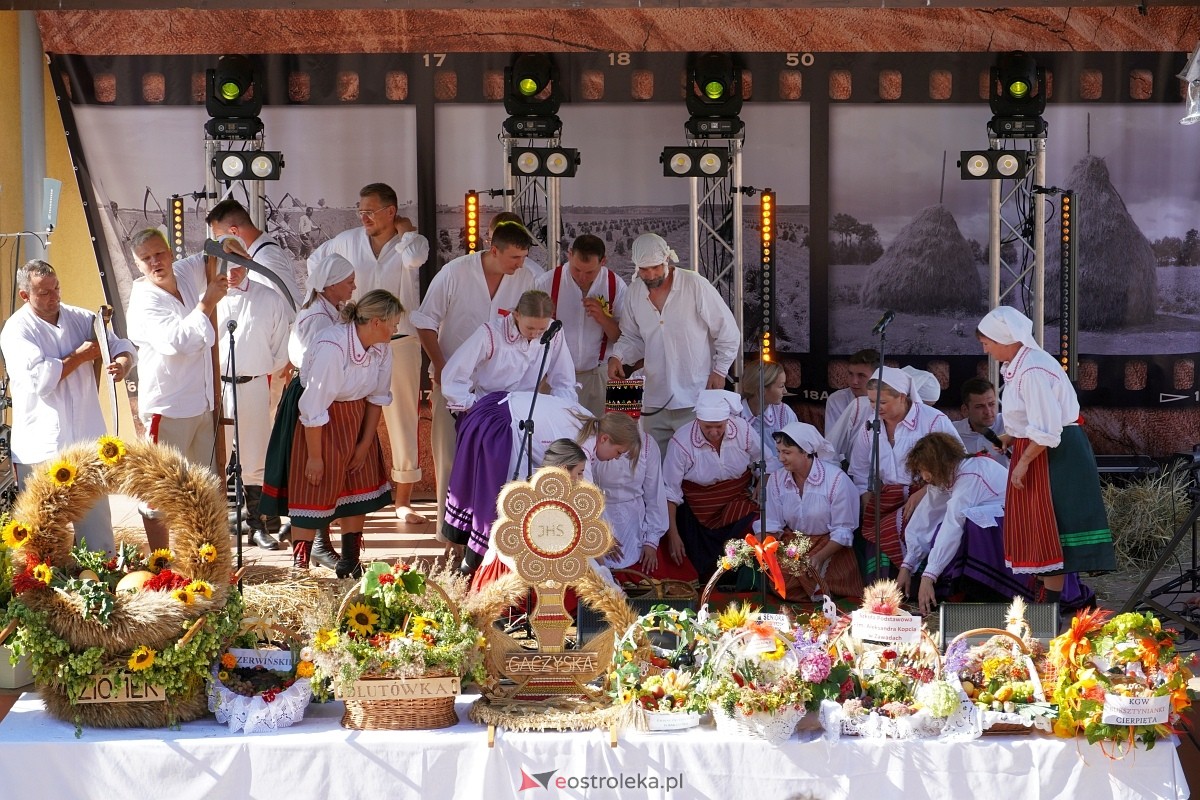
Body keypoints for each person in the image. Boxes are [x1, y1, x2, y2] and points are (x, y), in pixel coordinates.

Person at [976, 306, 1115, 602]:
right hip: (1040, 448)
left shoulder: (1034, 369)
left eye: (986, 341)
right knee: (1041, 528)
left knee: (1050, 526)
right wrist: (1010, 437)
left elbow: (1049, 428)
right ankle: (1046, 600)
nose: (984, 347)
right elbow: (1033, 417)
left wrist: (1023, 463)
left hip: (1054, 453)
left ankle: (1051, 606)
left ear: (1005, 338)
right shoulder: (1023, 366)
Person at [309, 183, 429, 524]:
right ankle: (343, 497)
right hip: (355, 340)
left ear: (391, 211)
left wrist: (406, 232)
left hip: (400, 340)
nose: (363, 217)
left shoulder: (412, 242)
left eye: (370, 211)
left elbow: (416, 258)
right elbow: (317, 263)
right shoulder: (347, 240)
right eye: (360, 210)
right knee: (348, 416)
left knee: (402, 416)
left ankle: (403, 500)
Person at [411, 220, 539, 534]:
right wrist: (441, 367)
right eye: (514, 258)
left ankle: (494, 539)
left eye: (523, 258)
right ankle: (449, 535)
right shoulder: (455, 272)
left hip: (505, 392)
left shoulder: (529, 277)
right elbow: (425, 321)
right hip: (454, 385)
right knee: (451, 460)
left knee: (500, 464)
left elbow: (538, 329)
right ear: (493, 250)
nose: (520, 265)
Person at [0, 260, 135, 555]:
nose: (54, 296)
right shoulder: (16, 330)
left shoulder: (81, 317)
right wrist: (81, 355)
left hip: (86, 441)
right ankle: (42, 594)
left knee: (97, 529)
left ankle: (102, 587)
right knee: (42, 530)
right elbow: (40, 379)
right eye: (44, 292)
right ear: (25, 295)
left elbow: (122, 345)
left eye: (56, 288)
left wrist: (122, 364)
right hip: (41, 447)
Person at [443, 390, 637, 576]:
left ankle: (469, 561)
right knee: (499, 504)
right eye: (618, 452)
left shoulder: (591, 421)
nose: (616, 458)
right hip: (501, 423)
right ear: (605, 438)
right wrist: (603, 560)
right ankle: (479, 566)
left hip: (496, 408)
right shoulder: (583, 444)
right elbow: (585, 505)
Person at [276, 290, 401, 578]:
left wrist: (365, 444)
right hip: (319, 420)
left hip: (356, 417)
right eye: (393, 323)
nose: (396, 329)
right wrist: (315, 457)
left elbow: (377, 397)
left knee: (357, 485)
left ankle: (350, 562)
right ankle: (300, 570)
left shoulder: (382, 346)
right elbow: (313, 405)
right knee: (313, 489)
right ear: (375, 322)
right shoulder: (333, 347)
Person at [899, 432, 1094, 615]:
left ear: (937, 464)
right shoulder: (947, 477)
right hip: (1004, 524)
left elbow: (953, 525)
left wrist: (929, 575)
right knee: (946, 528)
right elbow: (926, 516)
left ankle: (996, 589)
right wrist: (907, 565)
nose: (924, 477)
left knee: (971, 528)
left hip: (1019, 529)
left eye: (924, 470)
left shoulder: (970, 476)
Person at [607, 233, 740, 459]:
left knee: (695, 465)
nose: (650, 275)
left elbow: (728, 331)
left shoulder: (694, 284)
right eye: (644, 269)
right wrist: (617, 356)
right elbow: (632, 337)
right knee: (655, 466)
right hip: (654, 398)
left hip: (694, 395)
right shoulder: (634, 293)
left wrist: (720, 370)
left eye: (656, 267)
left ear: (667, 259)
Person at [263, 253, 358, 569]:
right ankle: (310, 551)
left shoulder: (329, 312)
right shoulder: (317, 319)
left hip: (320, 393)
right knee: (313, 475)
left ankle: (320, 545)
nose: (354, 286)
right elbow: (321, 363)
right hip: (312, 396)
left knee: (326, 474)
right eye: (348, 282)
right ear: (330, 285)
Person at [848, 366, 961, 575]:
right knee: (875, 534)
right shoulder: (870, 427)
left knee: (894, 530)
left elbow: (956, 464)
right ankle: (882, 593)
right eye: (871, 402)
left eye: (881, 402)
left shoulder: (933, 420)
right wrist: (866, 498)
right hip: (887, 497)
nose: (875, 408)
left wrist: (924, 492)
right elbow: (860, 469)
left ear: (901, 396)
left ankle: (917, 587)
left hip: (930, 496)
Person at [216, 257, 292, 551]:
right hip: (217, 385)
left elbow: (280, 347)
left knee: (255, 460)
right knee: (216, 460)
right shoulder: (206, 296)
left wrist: (257, 372)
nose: (231, 273)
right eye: (224, 266)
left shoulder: (267, 297)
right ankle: (217, 527)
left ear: (247, 263)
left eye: (236, 265)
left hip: (254, 383)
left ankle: (257, 526)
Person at [662, 389, 762, 583]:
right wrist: (672, 535)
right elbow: (670, 491)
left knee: (755, 523)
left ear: (727, 421)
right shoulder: (681, 442)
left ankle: (742, 582)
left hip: (737, 502)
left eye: (719, 426)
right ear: (698, 421)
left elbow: (763, 461)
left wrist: (761, 481)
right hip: (698, 510)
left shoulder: (743, 430)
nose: (714, 432)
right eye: (708, 427)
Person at [761, 422, 862, 600]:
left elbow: (843, 530)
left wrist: (820, 557)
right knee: (781, 582)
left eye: (787, 453)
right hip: (793, 542)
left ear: (805, 451)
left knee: (821, 585)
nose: (781, 458)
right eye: (779, 452)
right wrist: (767, 550)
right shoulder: (776, 480)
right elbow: (772, 522)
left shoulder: (836, 480)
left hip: (828, 544)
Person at [439, 289, 577, 414]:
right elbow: (453, 375)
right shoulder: (490, 334)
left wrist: (563, 410)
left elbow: (564, 379)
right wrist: (472, 407)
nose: (535, 334)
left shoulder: (554, 332)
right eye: (530, 328)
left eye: (542, 329)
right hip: (488, 410)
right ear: (517, 315)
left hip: (527, 411)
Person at [534, 234, 626, 417]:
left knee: (600, 435)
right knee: (555, 438)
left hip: (599, 376)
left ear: (603, 262)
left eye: (590, 272)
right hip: (553, 377)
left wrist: (603, 318)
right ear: (569, 255)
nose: (582, 277)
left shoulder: (616, 286)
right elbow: (528, 333)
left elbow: (624, 338)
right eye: (576, 270)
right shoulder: (546, 283)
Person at [207, 198, 303, 308]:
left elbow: (292, 310)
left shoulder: (265, 259)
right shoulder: (260, 251)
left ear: (233, 232)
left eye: (220, 237)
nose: (221, 243)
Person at [739, 359, 797, 474]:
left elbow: (794, 453)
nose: (785, 391)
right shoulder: (735, 415)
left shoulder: (784, 412)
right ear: (762, 389)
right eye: (781, 386)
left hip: (780, 477)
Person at [953, 377, 1009, 466]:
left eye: (991, 404)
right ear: (965, 410)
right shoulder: (953, 432)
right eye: (979, 406)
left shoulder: (1010, 425)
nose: (988, 411)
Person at [824, 347, 878, 441]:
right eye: (850, 374)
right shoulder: (837, 399)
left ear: (876, 376)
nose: (854, 381)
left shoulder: (887, 401)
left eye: (861, 375)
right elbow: (832, 442)